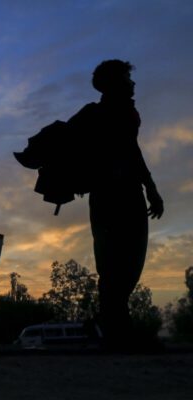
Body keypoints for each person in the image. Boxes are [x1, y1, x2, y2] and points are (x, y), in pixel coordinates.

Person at [67, 60, 164, 351]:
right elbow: (73, 141)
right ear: (114, 84)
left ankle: (113, 325)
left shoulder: (119, 112)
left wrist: (150, 186)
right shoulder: (97, 114)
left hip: (124, 193)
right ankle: (115, 330)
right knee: (115, 263)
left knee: (127, 262)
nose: (133, 84)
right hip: (112, 196)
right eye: (127, 79)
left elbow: (133, 150)